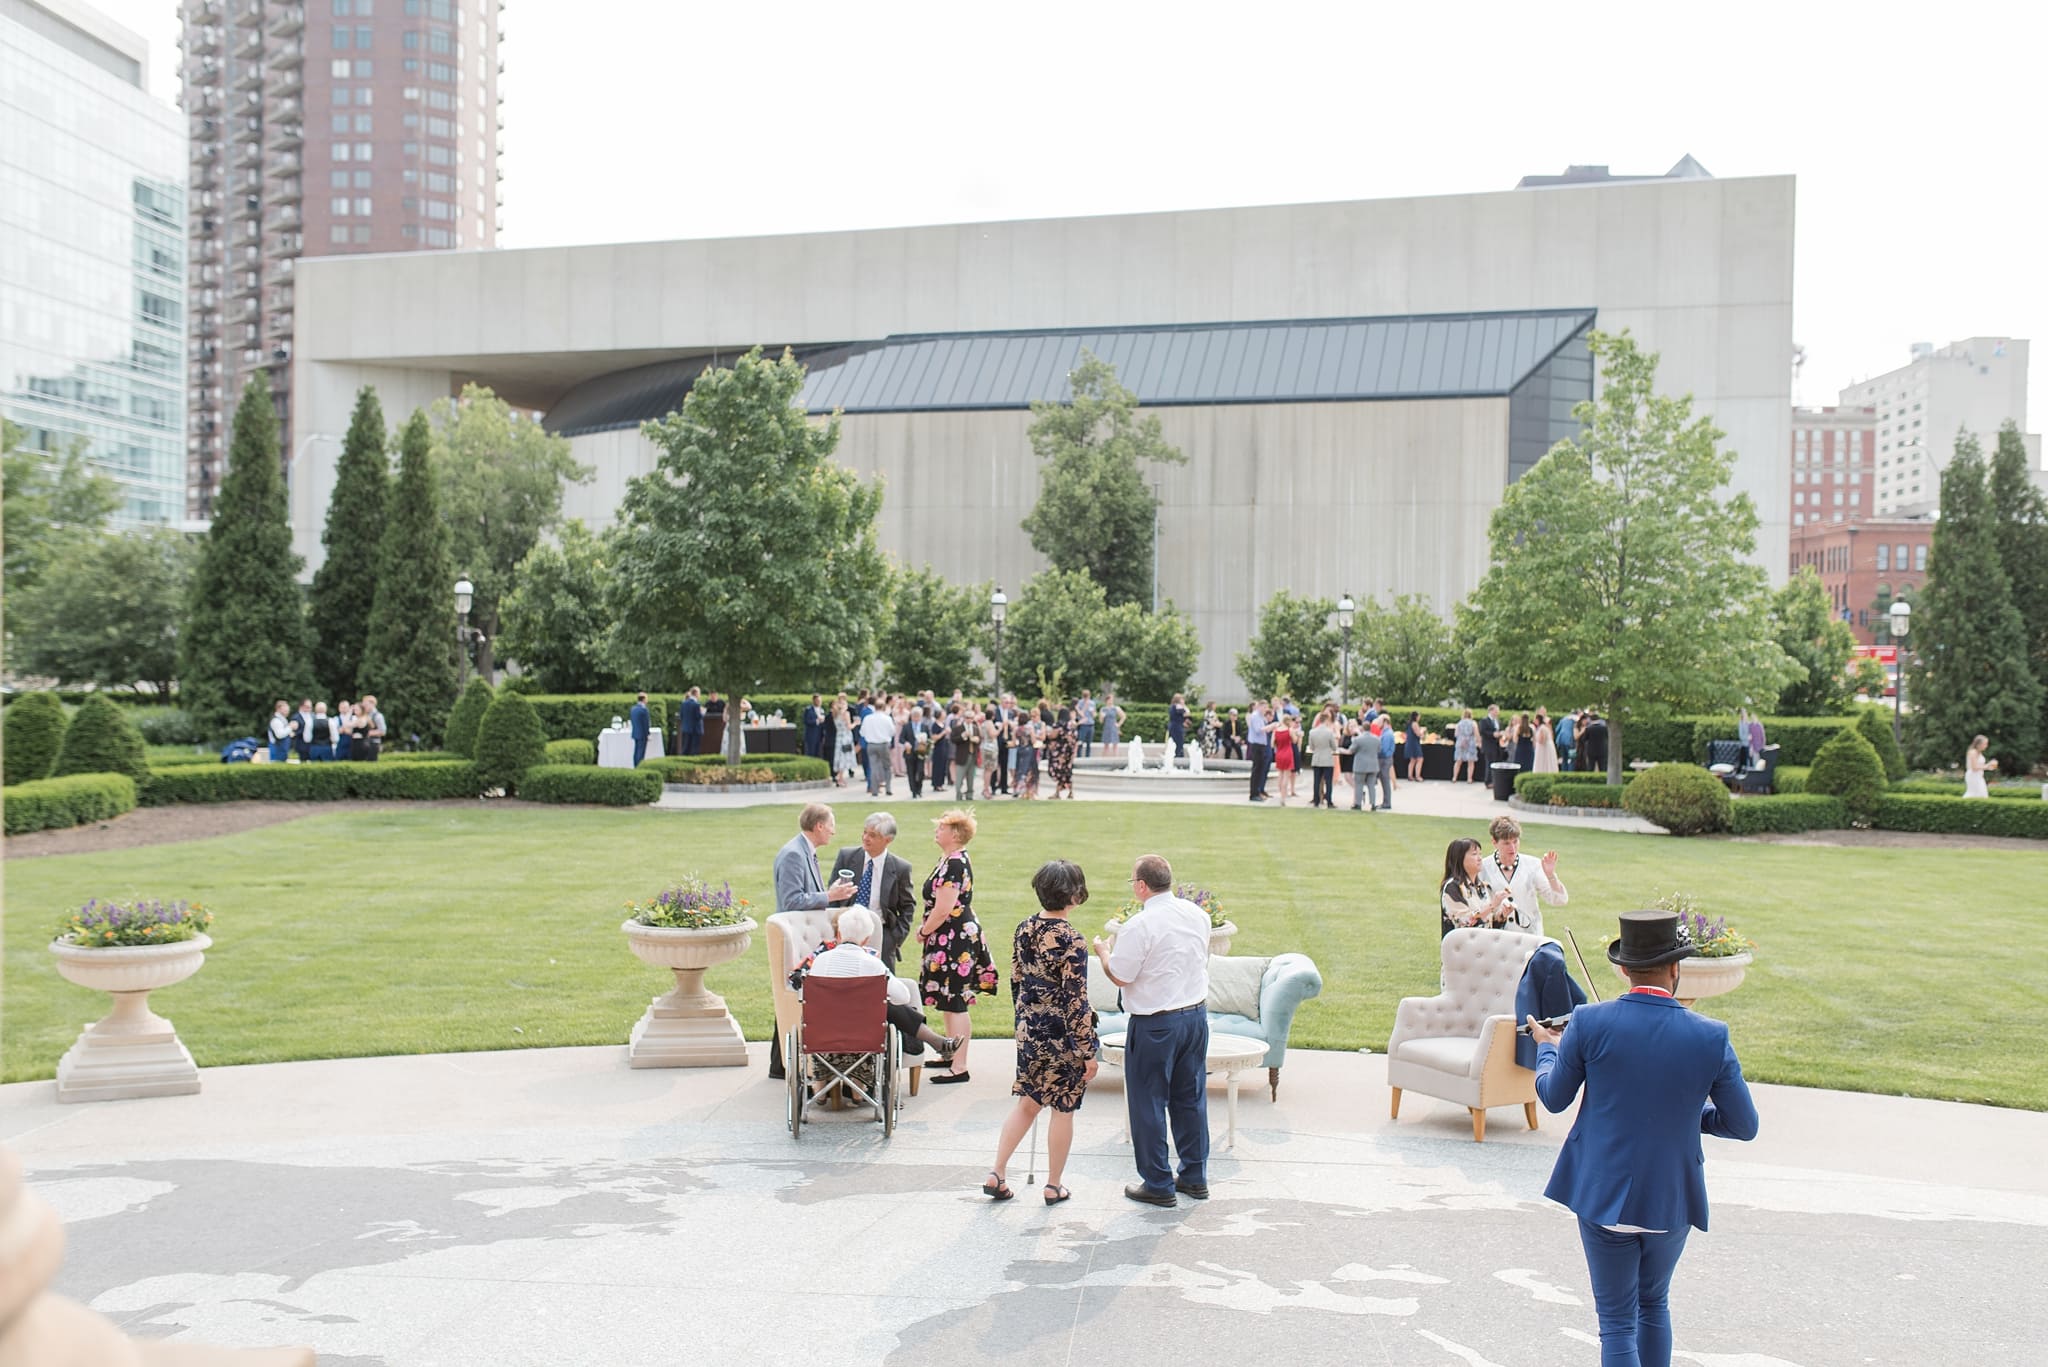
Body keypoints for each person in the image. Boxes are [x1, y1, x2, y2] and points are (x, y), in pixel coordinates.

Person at [1526, 911, 1759, 1367]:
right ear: (1675, 970)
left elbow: (1553, 1098)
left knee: (1616, 1322)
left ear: (1624, 969)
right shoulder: (1711, 1035)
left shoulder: (1589, 1022)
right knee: (1654, 1305)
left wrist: (1547, 1049)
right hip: (1670, 1200)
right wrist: (1694, 1117)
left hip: (1603, 1195)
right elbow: (1743, 1125)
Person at [1092, 854, 1210, 1208]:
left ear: (1142, 886)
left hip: (1156, 1023)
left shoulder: (1139, 926)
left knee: (1148, 1102)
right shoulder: (1198, 915)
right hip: (1195, 1018)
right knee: (1190, 1099)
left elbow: (1121, 975)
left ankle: (1158, 1181)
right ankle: (1194, 1176)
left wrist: (1102, 953)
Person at [984, 860, 1101, 1205]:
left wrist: (1023, 1023)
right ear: (1074, 896)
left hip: (1029, 1030)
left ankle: (997, 1172)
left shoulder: (1023, 929)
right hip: (1061, 1036)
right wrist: (1087, 1050)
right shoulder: (1072, 941)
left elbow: (1016, 981)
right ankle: (1053, 1184)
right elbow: (1075, 999)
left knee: (1028, 1103)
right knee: (1063, 1108)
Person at [789, 906, 959, 1064]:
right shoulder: (873, 963)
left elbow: (805, 991)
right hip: (864, 1031)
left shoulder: (820, 961)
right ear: (867, 939)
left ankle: (936, 1042)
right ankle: (935, 1041)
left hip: (825, 1028)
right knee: (889, 1006)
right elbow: (903, 996)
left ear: (839, 933)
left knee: (885, 1006)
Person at [768, 802, 859, 1079]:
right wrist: (829, 897)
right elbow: (791, 900)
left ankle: (779, 1065)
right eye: (831, 825)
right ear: (819, 826)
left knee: (790, 1003)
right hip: (796, 941)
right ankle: (782, 1064)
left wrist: (828, 893)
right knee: (792, 1000)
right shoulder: (794, 855)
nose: (834, 831)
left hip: (804, 937)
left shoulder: (805, 851)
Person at [917, 808, 993, 1084]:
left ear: (955, 835)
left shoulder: (955, 864)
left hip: (954, 939)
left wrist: (923, 931)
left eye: (942, 827)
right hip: (949, 937)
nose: (937, 830)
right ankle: (950, 1052)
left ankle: (959, 1066)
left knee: (956, 999)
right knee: (949, 999)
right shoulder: (948, 860)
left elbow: (943, 909)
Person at [829, 812, 918, 971]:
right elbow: (833, 896)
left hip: (881, 934)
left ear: (887, 840)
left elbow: (908, 906)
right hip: (845, 933)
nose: (865, 838)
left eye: (872, 835)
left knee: (881, 986)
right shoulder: (847, 857)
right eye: (864, 832)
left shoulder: (900, 868)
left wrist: (895, 938)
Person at [1478, 816, 1568, 937]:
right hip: (1495, 939)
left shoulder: (1533, 865)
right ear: (1494, 842)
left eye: (1515, 841)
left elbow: (1559, 900)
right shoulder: (1483, 867)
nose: (1513, 848)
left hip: (1530, 937)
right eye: (1506, 843)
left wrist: (1550, 875)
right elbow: (1477, 908)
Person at [1440, 837, 1512, 937]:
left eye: (1480, 854)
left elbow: (1489, 925)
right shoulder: (1453, 887)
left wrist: (1502, 915)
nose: (1479, 858)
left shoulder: (1484, 887)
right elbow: (1467, 921)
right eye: (1474, 854)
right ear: (1460, 858)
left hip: (1484, 948)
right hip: (1461, 949)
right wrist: (1492, 905)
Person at [859, 701, 897, 797]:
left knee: (873, 767)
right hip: (883, 744)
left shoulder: (868, 718)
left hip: (871, 744)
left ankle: (874, 790)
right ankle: (888, 788)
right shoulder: (887, 718)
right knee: (887, 767)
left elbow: (862, 732)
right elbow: (892, 731)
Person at [1350, 708, 1383, 811]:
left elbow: (1351, 750)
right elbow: (1379, 750)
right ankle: (1373, 804)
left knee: (1359, 785)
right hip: (1373, 765)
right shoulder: (1376, 739)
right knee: (1371, 786)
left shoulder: (1358, 739)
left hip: (1360, 765)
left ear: (1362, 729)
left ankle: (1358, 804)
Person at [1306, 706, 1338, 808]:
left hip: (1317, 758)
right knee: (1328, 782)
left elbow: (1311, 746)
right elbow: (1334, 746)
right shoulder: (1329, 732)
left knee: (1316, 781)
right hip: (1327, 759)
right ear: (1326, 720)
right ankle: (1329, 801)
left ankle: (1316, 801)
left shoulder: (1312, 732)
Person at [1048, 708, 1077, 799]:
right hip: (1069, 751)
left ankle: (1058, 793)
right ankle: (1070, 792)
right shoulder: (1072, 725)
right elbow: (1075, 739)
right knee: (1067, 771)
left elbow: (1053, 735)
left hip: (1060, 751)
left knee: (1059, 771)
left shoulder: (1059, 724)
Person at [1246, 701, 1272, 802]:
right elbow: (1258, 730)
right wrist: (1270, 726)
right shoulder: (1256, 716)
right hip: (1257, 745)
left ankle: (1257, 792)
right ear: (1260, 707)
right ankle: (1253, 794)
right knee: (1256, 769)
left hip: (1261, 745)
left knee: (1260, 769)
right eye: (1264, 708)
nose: (1266, 710)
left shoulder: (1260, 717)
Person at [1271, 705, 1298, 803]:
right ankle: (1283, 796)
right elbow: (1294, 741)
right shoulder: (1289, 730)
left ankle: (1280, 793)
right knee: (1286, 776)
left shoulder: (1276, 731)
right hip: (1288, 752)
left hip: (1279, 753)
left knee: (1280, 775)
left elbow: (1272, 744)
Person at [830, 699, 859, 787]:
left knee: (839, 757)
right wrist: (855, 723)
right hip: (846, 737)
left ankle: (840, 776)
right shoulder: (846, 714)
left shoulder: (835, 714)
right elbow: (849, 726)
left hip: (839, 737)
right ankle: (840, 777)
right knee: (844, 758)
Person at [902, 706, 929, 800]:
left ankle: (919, 789)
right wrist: (906, 743)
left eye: (918, 716)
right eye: (915, 716)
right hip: (910, 752)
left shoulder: (924, 726)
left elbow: (929, 738)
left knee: (920, 771)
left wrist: (926, 743)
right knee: (911, 772)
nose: (916, 718)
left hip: (921, 752)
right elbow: (902, 738)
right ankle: (913, 791)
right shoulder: (907, 726)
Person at [929, 703, 955, 792]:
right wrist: (943, 733)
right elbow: (934, 737)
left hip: (944, 746)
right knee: (938, 766)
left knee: (943, 766)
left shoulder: (943, 724)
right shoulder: (935, 725)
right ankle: (936, 784)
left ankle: (941, 783)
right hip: (938, 748)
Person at [1453, 708, 1480, 784]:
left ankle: (1454, 777)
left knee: (1458, 761)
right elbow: (1476, 733)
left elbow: (1456, 734)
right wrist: (1479, 742)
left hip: (1460, 742)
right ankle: (1469, 779)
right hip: (1470, 742)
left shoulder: (1459, 723)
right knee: (1470, 762)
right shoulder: (1473, 723)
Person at [1377, 716, 1399, 808]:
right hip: (1385, 759)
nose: (1377, 724)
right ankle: (1385, 802)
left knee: (1385, 781)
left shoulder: (1387, 734)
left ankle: (1387, 803)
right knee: (1384, 781)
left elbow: (1384, 749)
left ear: (1385, 722)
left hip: (1384, 760)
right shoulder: (1386, 733)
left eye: (1379, 721)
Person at [1478, 703, 1503, 780]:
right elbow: (1482, 731)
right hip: (1488, 746)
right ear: (1491, 711)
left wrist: (1500, 734)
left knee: (1495, 763)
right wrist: (1492, 734)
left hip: (1496, 746)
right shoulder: (1484, 720)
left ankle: (1494, 780)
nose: (1497, 713)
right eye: (1496, 711)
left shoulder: (1497, 721)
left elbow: (1499, 730)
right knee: (1489, 763)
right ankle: (1488, 781)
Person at [357, 694, 385, 762]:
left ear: (372, 704)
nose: (363, 706)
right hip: (364, 743)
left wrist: (367, 733)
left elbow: (383, 731)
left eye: (365, 704)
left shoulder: (378, 716)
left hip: (373, 744)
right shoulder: (365, 715)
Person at [677, 687, 705, 757]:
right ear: (696, 693)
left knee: (685, 748)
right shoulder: (696, 704)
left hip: (686, 728)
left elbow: (681, 716)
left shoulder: (684, 703)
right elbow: (698, 717)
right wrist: (703, 712)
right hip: (695, 729)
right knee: (694, 749)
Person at [629, 692, 652, 767]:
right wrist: (648, 734)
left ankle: (635, 765)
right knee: (641, 752)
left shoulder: (633, 709)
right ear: (643, 699)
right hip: (642, 734)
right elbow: (646, 724)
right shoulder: (644, 710)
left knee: (636, 751)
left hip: (635, 733)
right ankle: (639, 766)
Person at [1533, 709, 1559, 774]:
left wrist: (1535, 740)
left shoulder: (1542, 728)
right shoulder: (1543, 727)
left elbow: (1542, 740)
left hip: (1544, 747)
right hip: (1547, 745)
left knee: (1544, 761)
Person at [1099, 691, 1124, 758]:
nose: (1111, 701)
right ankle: (1103, 760)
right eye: (1109, 699)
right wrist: (1102, 716)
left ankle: (1116, 759)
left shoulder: (1116, 708)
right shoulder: (1103, 709)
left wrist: (1118, 724)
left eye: (1112, 699)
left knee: (1115, 745)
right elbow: (1101, 721)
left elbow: (1123, 716)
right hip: (1106, 727)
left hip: (1114, 727)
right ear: (1106, 700)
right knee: (1106, 745)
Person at [1404, 711, 1425, 783]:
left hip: (1409, 742)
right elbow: (1418, 734)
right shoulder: (1415, 724)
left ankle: (1410, 775)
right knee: (1420, 759)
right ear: (1416, 717)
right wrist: (1423, 730)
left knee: (1412, 760)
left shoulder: (1409, 724)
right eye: (1419, 716)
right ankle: (1417, 776)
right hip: (1414, 743)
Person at [802, 694, 824, 760]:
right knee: (810, 753)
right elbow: (806, 721)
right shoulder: (808, 710)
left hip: (819, 735)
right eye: (818, 700)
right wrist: (817, 721)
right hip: (811, 735)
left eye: (820, 700)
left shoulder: (822, 710)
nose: (819, 702)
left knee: (818, 753)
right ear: (814, 701)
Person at [1167, 693, 1189, 759]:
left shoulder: (1172, 706)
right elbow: (1187, 713)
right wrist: (1184, 706)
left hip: (1173, 726)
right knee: (1179, 743)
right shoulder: (1178, 706)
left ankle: (1174, 757)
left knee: (1173, 742)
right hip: (1177, 727)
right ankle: (1179, 758)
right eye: (1182, 699)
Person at [1076, 689, 1096, 758]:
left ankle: (1088, 756)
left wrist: (1093, 713)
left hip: (1090, 724)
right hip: (1083, 725)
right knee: (1080, 742)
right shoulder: (1080, 703)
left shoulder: (1092, 703)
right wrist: (1085, 706)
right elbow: (1081, 714)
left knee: (1089, 743)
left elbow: (1094, 714)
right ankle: (1079, 756)